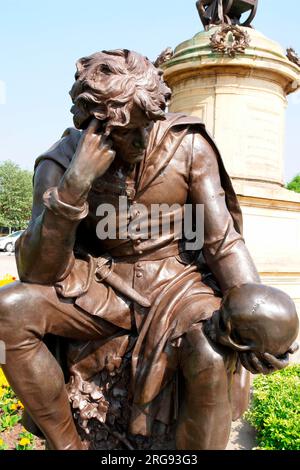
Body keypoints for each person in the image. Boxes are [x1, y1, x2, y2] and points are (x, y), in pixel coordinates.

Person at [0, 49, 295, 450]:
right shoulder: (60, 162)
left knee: (208, 351)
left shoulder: (187, 145)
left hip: (179, 285)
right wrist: (74, 188)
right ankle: (68, 446)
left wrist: (257, 317)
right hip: (98, 287)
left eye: (148, 125)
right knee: (9, 309)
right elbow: (38, 272)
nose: (142, 140)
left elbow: (221, 241)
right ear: (93, 126)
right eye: (127, 132)